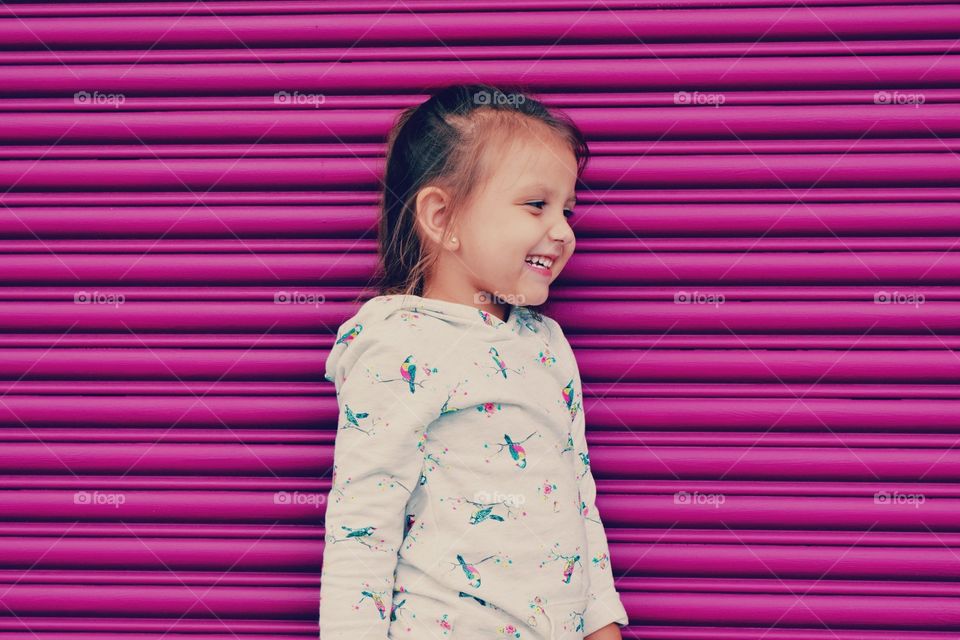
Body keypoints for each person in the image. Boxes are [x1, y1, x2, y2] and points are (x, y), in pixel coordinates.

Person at [319, 83, 629, 639]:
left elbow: (578, 496)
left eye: (568, 209)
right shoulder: (400, 342)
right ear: (443, 218)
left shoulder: (546, 343)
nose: (562, 231)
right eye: (537, 204)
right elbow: (362, 528)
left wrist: (601, 621)